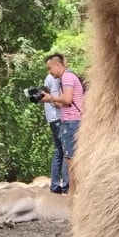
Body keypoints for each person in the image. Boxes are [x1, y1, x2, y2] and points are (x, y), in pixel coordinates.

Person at [40, 53, 84, 197]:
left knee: (70, 159)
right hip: (69, 121)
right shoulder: (63, 79)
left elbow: (67, 99)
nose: (49, 72)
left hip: (72, 122)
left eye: (49, 68)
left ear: (57, 65)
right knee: (69, 157)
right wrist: (48, 99)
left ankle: (73, 193)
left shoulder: (67, 77)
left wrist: (52, 97)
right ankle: (73, 192)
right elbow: (62, 103)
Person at [42, 72, 69, 194]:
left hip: (52, 119)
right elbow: (57, 101)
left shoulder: (49, 78)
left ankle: (55, 184)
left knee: (59, 151)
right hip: (58, 118)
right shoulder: (54, 79)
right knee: (65, 151)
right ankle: (66, 185)